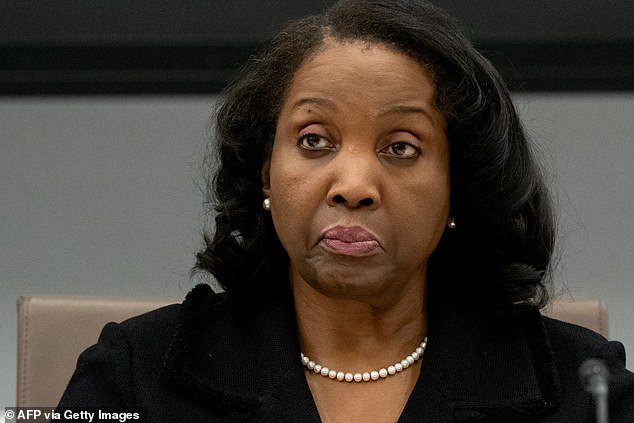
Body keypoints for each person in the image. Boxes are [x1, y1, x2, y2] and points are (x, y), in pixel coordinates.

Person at [58, 0, 634, 421]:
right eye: (314, 140)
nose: (354, 186)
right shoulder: (134, 376)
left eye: (401, 148)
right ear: (265, 171)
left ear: (459, 185)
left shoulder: (587, 391)